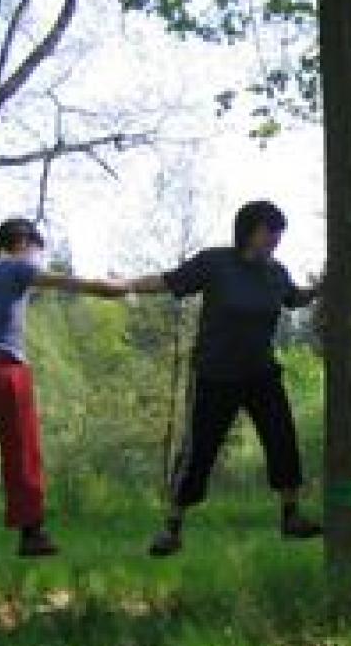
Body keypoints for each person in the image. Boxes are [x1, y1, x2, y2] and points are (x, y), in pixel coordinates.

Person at [123, 201, 323, 556]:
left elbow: (295, 299)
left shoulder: (276, 273)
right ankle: (172, 527)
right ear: (249, 230)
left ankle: (291, 517)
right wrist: (125, 286)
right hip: (217, 374)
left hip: (261, 372)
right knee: (200, 451)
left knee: (283, 441)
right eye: (270, 231)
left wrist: (322, 287)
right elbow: (172, 280)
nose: (276, 240)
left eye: (279, 234)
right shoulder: (216, 262)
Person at [0, 218, 127, 556]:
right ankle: (31, 533)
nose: (37, 259)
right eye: (36, 251)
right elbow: (69, 282)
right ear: (24, 244)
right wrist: (115, 288)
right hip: (5, 371)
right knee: (22, 450)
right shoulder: (19, 268)